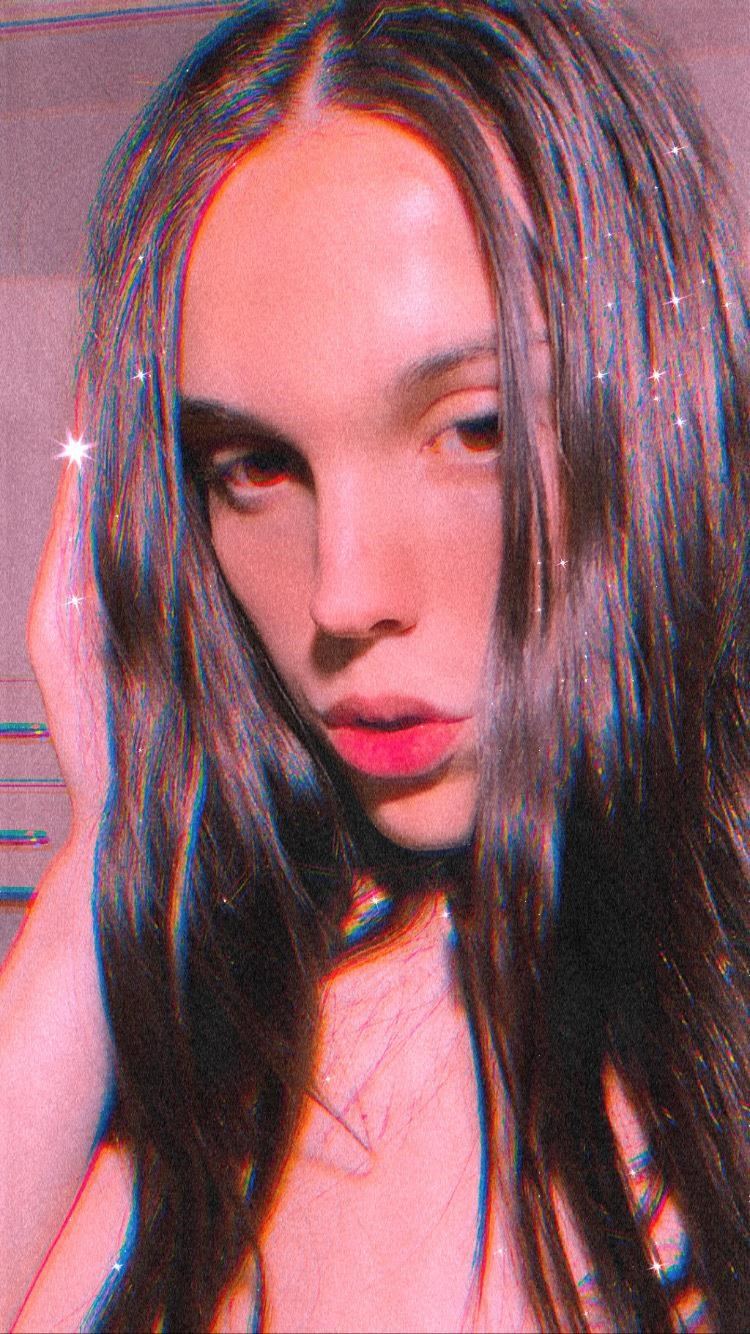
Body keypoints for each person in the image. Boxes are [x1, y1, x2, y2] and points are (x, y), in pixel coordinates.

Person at [1, 0, 747, 1329]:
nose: (343, 594)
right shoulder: (242, 1019)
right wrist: (100, 862)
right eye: (255, 465)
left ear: (649, 416)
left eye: (474, 430)